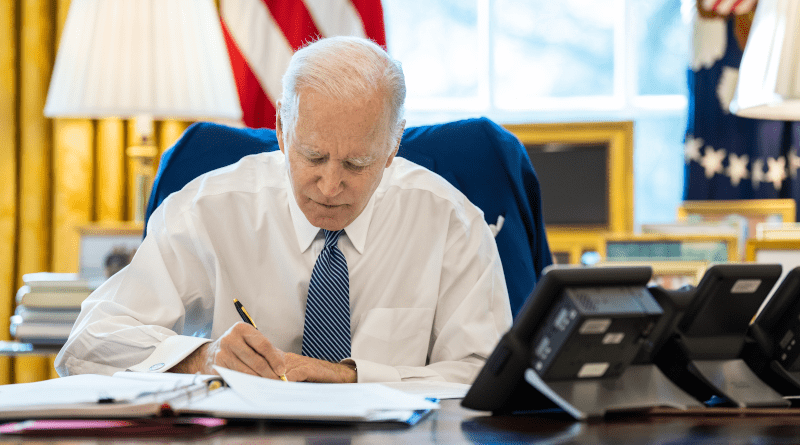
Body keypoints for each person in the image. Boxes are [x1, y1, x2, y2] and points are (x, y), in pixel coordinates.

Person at [55, 36, 512, 384]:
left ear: (393, 145)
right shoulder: (209, 209)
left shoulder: (450, 221)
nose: (330, 185)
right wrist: (201, 357)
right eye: (312, 156)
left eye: (357, 163)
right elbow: (88, 344)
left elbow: (490, 375)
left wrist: (357, 379)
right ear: (280, 129)